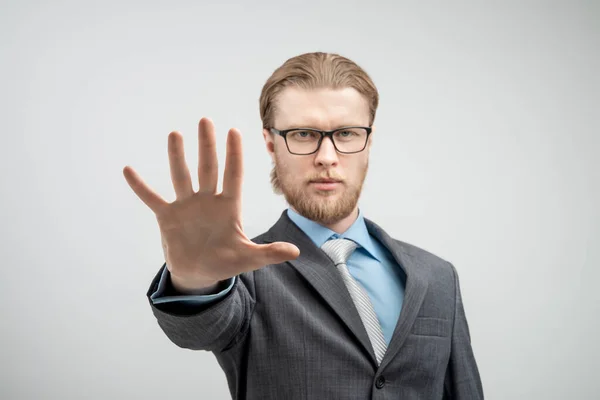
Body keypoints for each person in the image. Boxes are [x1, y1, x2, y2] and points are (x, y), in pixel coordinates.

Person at [123, 52, 483, 399]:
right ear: (271, 143)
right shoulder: (246, 275)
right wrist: (195, 282)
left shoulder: (438, 277)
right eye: (303, 135)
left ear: (368, 141)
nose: (326, 158)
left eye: (346, 134)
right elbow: (199, 329)